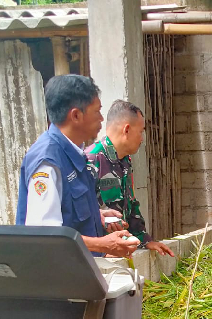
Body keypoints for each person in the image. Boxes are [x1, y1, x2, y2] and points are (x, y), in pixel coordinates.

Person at [15, 75, 138, 258]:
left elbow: (66, 210)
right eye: (97, 111)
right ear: (76, 115)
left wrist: (97, 216)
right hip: (56, 279)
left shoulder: (74, 153)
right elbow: (46, 236)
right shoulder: (48, 161)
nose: (101, 119)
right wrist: (104, 244)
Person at [85, 100, 174, 257]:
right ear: (127, 129)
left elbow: (130, 204)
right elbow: (79, 214)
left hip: (120, 251)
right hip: (99, 256)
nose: (142, 139)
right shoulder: (91, 160)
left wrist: (145, 241)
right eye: (141, 132)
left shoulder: (124, 161)